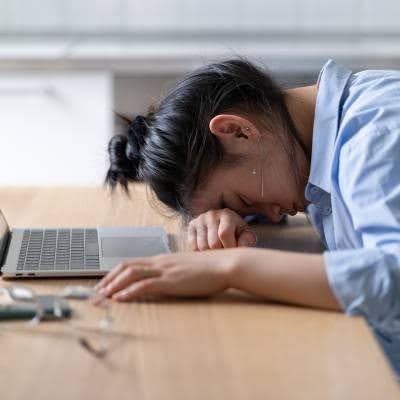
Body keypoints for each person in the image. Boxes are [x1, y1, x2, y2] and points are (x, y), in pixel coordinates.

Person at [95, 58, 400, 375]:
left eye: (242, 201)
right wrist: (219, 220)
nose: (269, 212)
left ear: (237, 131)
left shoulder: (376, 138)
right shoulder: (314, 142)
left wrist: (229, 268)